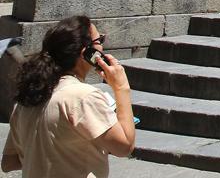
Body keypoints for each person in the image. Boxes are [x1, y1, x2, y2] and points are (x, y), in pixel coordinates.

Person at [2, 15, 135, 177]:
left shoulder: (27, 99)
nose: (102, 47)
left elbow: (9, 162)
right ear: (86, 53)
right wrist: (121, 87)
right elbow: (124, 147)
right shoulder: (83, 97)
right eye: (100, 41)